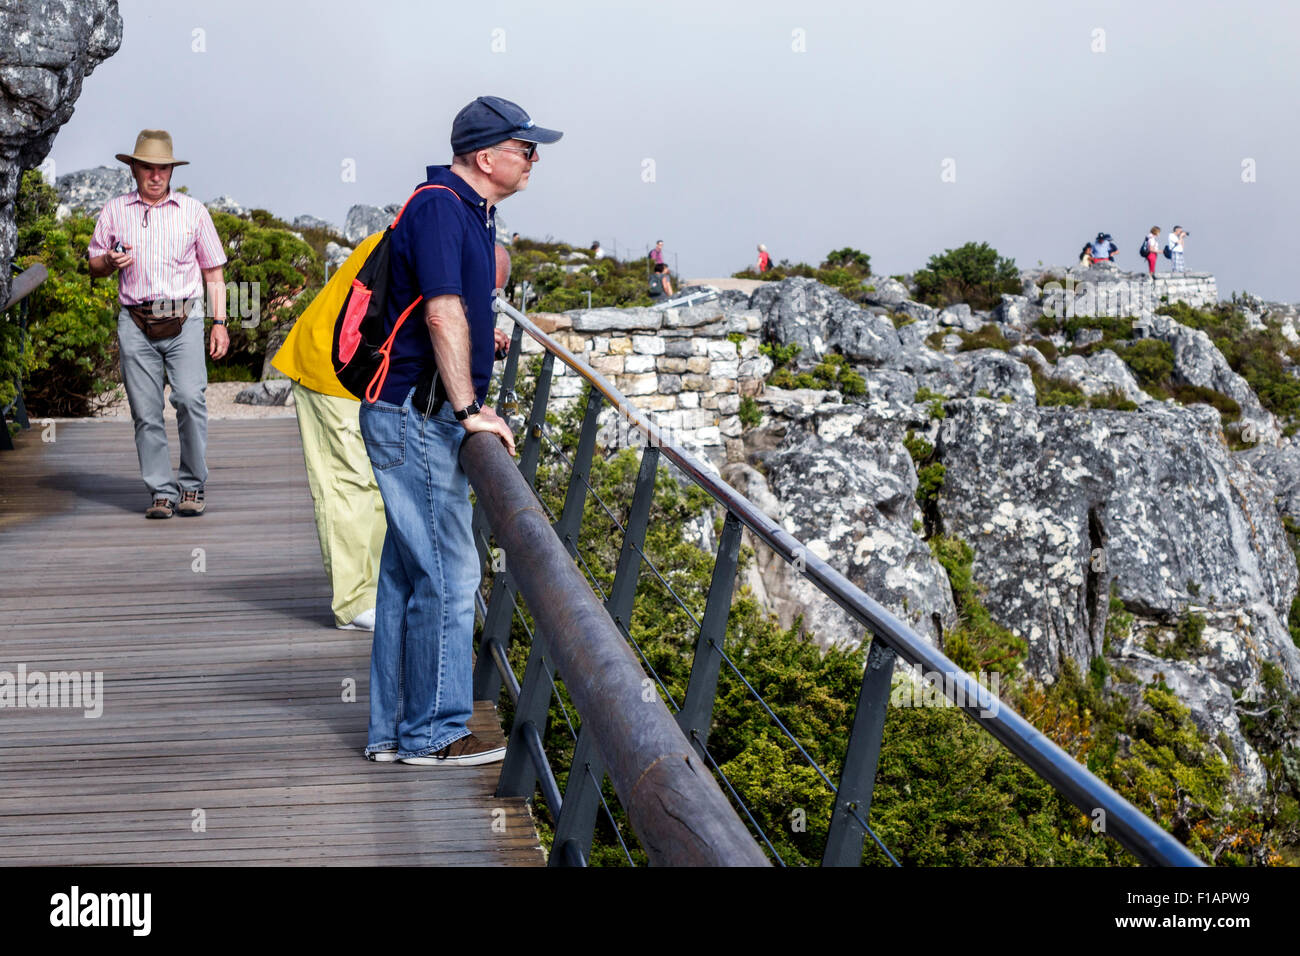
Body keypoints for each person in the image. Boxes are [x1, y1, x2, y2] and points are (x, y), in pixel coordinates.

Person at [358, 95, 559, 767]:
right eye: (525, 149)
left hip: (410, 409)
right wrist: (472, 409)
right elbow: (442, 314)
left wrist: (485, 341)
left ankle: (391, 733)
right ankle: (434, 733)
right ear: (485, 156)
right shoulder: (444, 207)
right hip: (418, 415)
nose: (534, 160)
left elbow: (453, 308)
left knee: (407, 578)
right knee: (448, 572)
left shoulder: (469, 210)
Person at [87, 129, 229, 519]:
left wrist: (220, 323)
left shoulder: (193, 211)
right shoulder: (115, 210)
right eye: (147, 167)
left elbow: (213, 272)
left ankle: (192, 487)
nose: (155, 175)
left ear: (171, 170)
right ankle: (161, 493)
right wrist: (109, 262)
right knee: (146, 413)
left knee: (189, 399)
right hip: (134, 321)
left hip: (183, 319)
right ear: (133, 169)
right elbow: (94, 263)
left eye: (162, 168)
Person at [271, 234, 386, 631]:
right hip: (332, 368)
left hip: (360, 370)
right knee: (346, 484)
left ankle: (371, 592)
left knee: (374, 484)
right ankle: (353, 604)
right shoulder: (428, 243)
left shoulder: (420, 231)